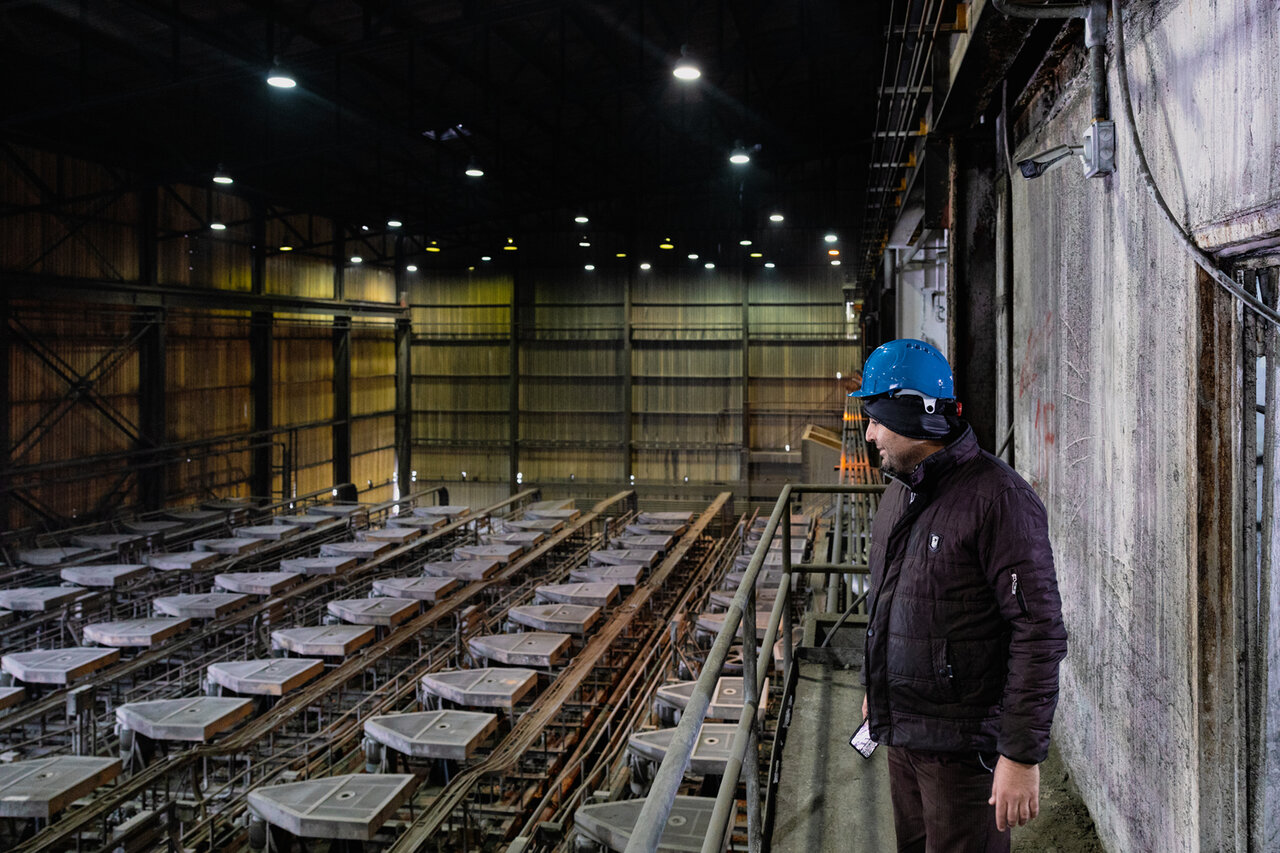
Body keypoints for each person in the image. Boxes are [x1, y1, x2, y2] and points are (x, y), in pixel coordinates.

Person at [849, 338, 1068, 853]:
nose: (869, 432)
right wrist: (874, 686)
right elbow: (887, 604)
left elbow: (1038, 634)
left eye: (877, 418)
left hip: (965, 752)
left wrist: (1019, 757)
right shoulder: (900, 490)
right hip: (903, 735)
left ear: (914, 415)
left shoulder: (999, 500)